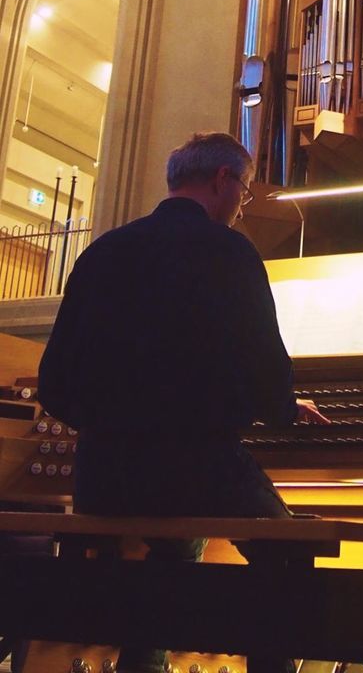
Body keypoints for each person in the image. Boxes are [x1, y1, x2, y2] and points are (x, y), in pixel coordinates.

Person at [38, 130, 327, 673]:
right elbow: (265, 368)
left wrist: (114, 427)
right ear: (222, 181)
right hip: (195, 470)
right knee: (285, 551)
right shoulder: (230, 252)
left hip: (102, 478)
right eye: (244, 191)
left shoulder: (103, 251)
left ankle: (144, 661)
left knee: (174, 553)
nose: (243, 206)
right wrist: (285, 409)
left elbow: (54, 382)